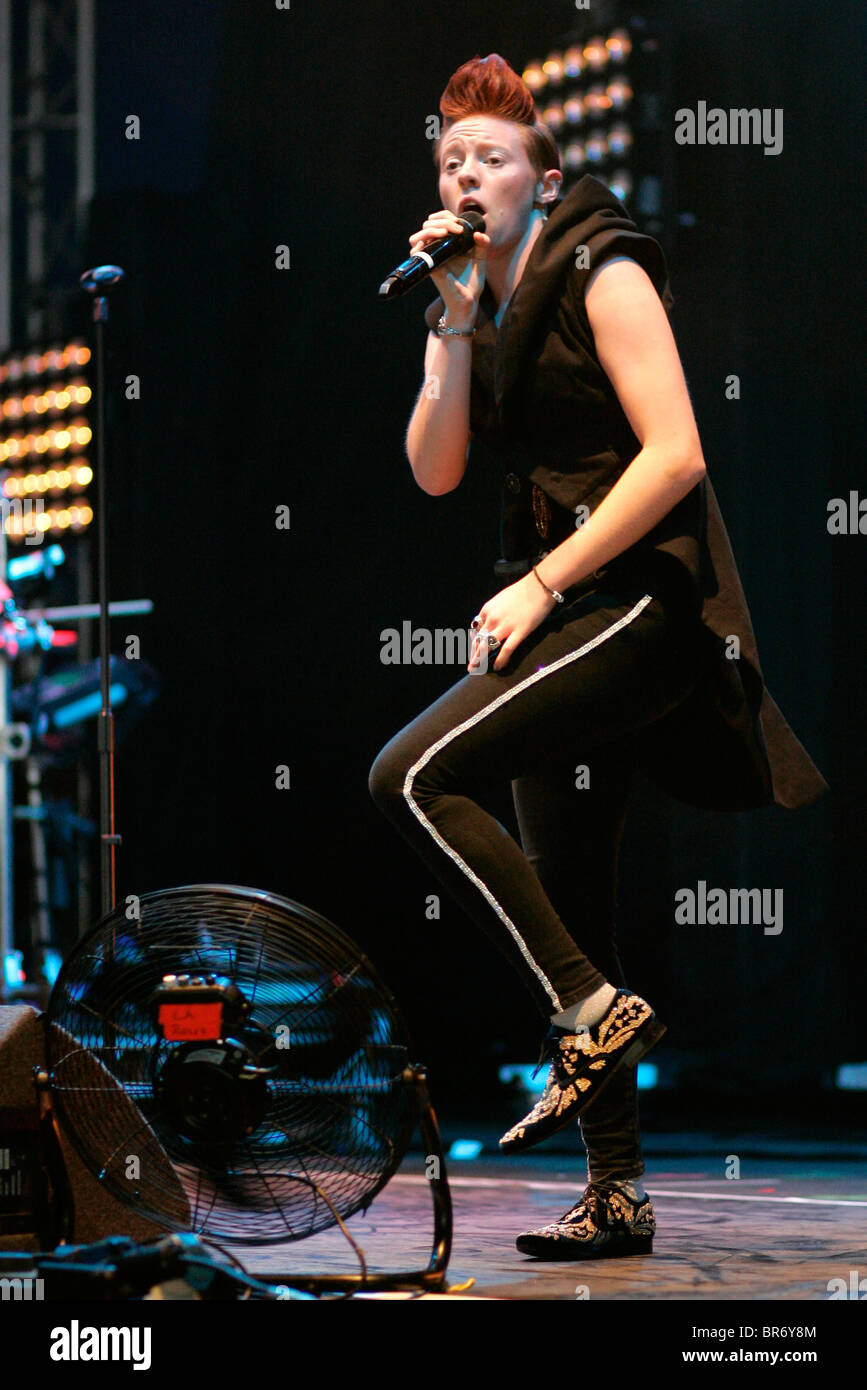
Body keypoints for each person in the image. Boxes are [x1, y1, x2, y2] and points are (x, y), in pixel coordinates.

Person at [368, 54, 829, 1261]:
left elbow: (676, 454)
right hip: (571, 611)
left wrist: (540, 579)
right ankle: (616, 1186)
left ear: (545, 176)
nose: (467, 176)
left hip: (639, 600)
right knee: (564, 897)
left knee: (412, 776)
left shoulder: (602, 264)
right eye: (450, 159)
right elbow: (434, 468)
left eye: (491, 160)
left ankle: (590, 1010)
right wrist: (453, 321)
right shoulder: (479, 296)